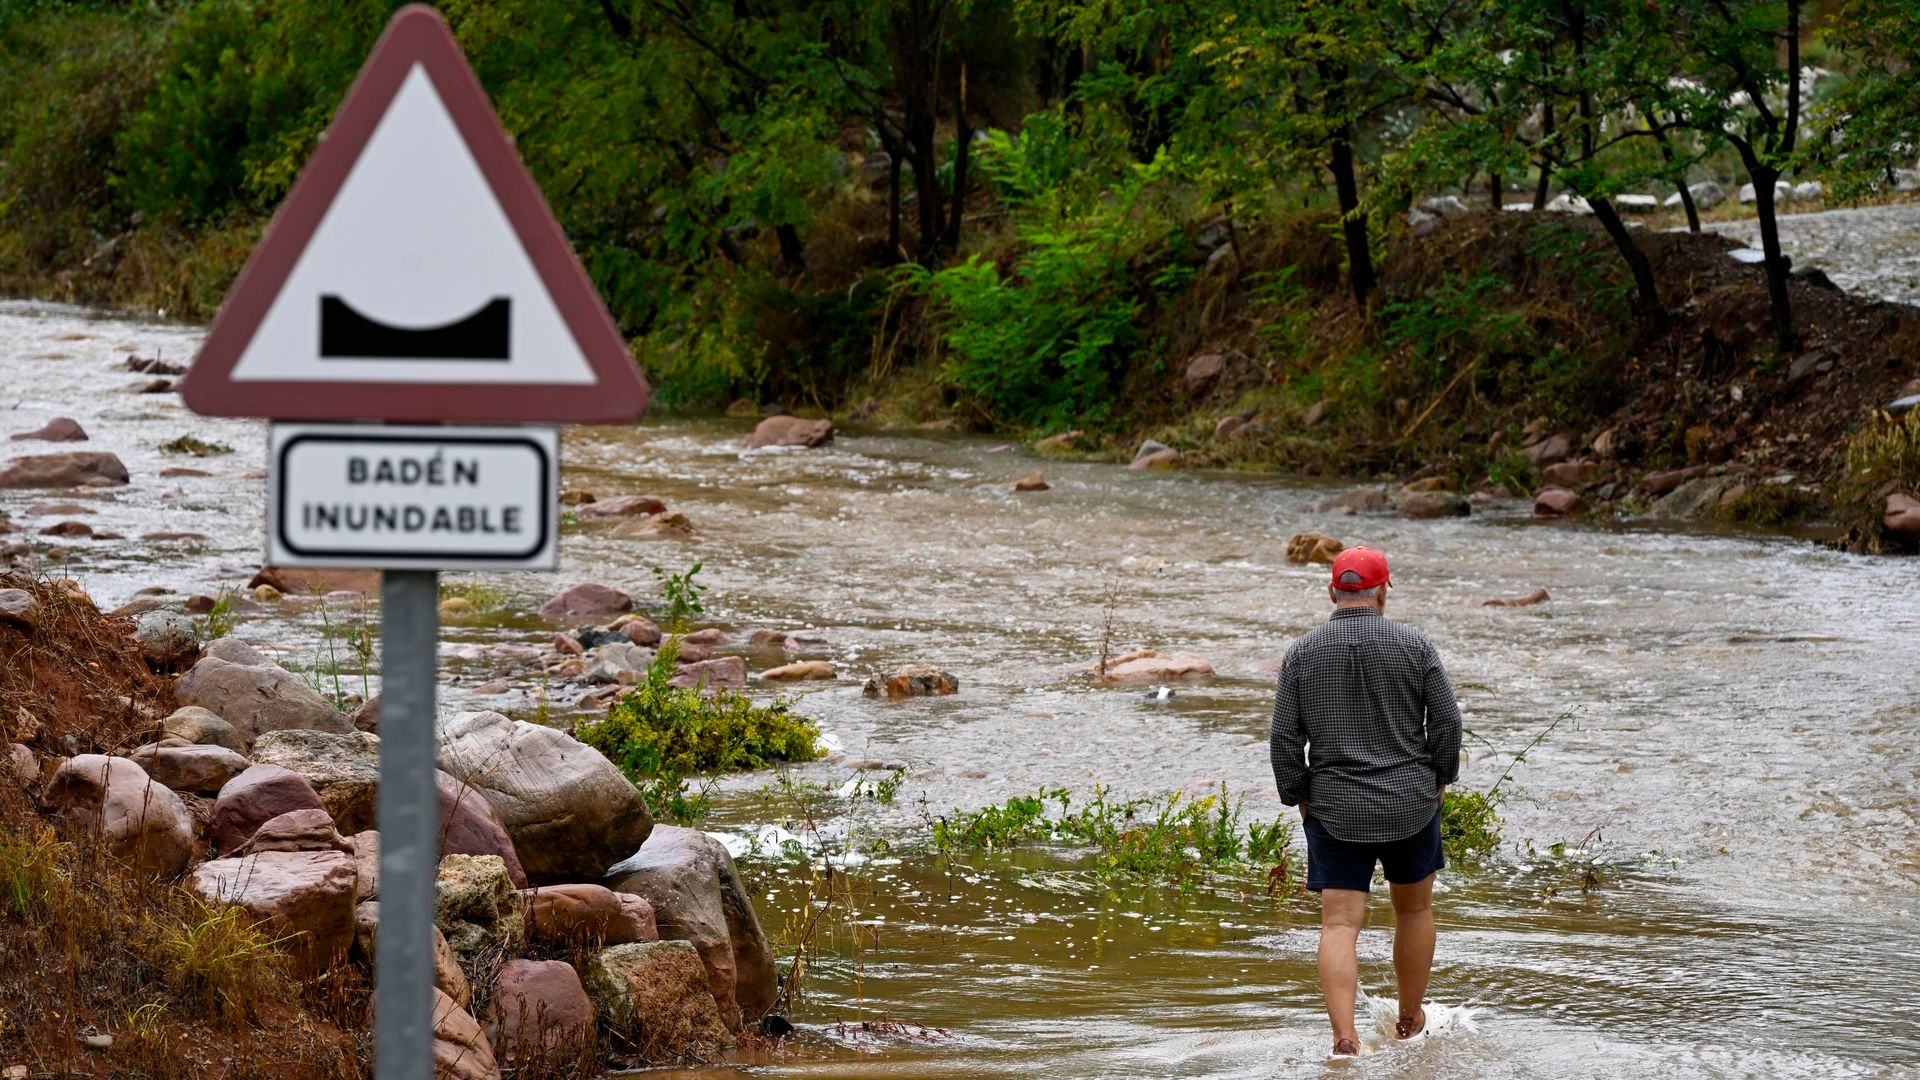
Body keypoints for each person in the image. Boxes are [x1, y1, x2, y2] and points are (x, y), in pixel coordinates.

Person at [1268, 546, 1462, 1057]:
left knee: (1339, 923)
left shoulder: (1302, 652)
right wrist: (1440, 777)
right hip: (1409, 801)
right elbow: (1446, 722)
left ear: (1333, 592)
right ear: (1383, 591)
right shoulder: (1414, 645)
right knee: (1415, 909)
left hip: (1334, 805)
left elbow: (1284, 739)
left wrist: (1298, 796)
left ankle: (1345, 1038)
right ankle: (1408, 1019)